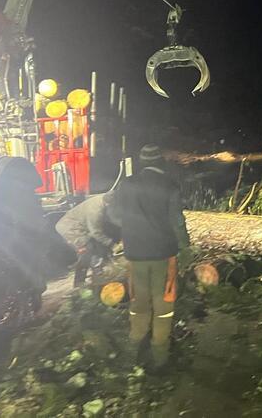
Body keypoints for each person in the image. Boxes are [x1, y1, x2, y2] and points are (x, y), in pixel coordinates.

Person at [112, 144, 191, 370]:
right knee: (163, 304)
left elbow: (114, 214)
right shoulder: (169, 186)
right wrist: (185, 248)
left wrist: (131, 227)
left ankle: (134, 348)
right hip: (164, 256)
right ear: (160, 163)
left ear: (141, 162)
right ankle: (160, 356)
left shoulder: (126, 185)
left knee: (138, 302)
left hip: (135, 255)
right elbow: (177, 221)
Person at [55, 192, 117, 287]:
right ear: (108, 204)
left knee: (94, 247)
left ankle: (97, 273)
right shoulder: (96, 211)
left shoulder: (103, 198)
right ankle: (79, 284)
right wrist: (112, 244)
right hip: (70, 228)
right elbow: (96, 233)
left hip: (78, 226)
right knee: (87, 251)